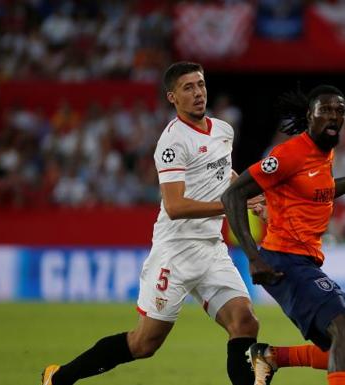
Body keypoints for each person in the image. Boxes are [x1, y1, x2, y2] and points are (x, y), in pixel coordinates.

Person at [41, 62, 268, 385]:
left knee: (245, 323)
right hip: (174, 252)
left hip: (211, 250)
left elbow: (223, 173)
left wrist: (250, 197)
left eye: (201, 85)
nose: (198, 93)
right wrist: (231, 205)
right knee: (144, 344)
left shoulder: (223, 130)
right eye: (188, 88)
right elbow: (174, 206)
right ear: (172, 97)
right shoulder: (172, 143)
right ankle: (60, 377)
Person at [221, 85, 345, 385]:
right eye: (326, 111)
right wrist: (252, 256)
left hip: (307, 263)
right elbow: (233, 195)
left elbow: (325, 189)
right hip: (282, 261)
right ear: (310, 116)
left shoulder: (324, 155)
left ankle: (271, 357)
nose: (334, 117)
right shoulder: (289, 154)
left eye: (340, 111)